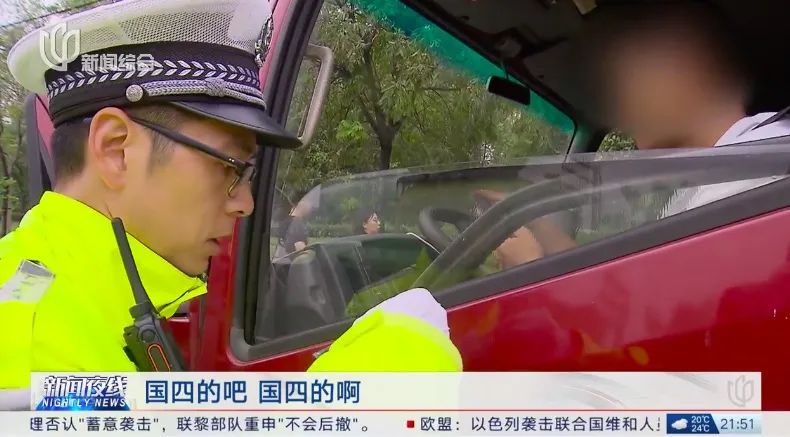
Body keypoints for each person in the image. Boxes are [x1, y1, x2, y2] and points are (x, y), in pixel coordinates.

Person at [0, 0, 460, 410]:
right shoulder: (30, 353)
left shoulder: (84, 301)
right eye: (230, 167)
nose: (245, 203)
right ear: (116, 149)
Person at [480, 3, 790, 269]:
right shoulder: (727, 170)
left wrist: (530, 267)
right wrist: (539, 226)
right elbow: (633, 285)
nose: (619, 102)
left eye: (626, 77)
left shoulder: (756, 180)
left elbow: (666, 309)